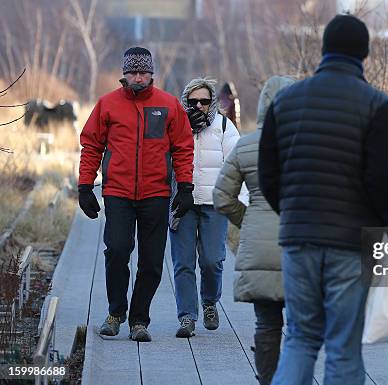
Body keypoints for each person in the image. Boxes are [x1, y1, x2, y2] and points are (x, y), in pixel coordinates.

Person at [258, 14, 388, 385]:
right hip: (350, 243)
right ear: (365, 53)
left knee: (301, 339)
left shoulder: (285, 101)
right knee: (342, 345)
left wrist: (293, 212)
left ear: (324, 49)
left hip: (297, 236)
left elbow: (269, 176)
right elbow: (382, 179)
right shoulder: (377, 105)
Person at [78, 46, 194, 342]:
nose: (139, 77)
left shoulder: (168, 105)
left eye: (144, 72)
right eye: (133, 72)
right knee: (117, 250)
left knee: (152, 261)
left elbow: (182, 147)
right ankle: (116, 313)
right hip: (117, 192)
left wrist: (185, 187)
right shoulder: (107, 105)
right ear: (124, 74)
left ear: (151, 73)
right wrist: (84, 185)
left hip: (156, 193)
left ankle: (139, 320)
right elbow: (91, 145)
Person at [213, 75, 296, 385]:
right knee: (302, 327)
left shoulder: (246, 146)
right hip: (302, 245)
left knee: (267, 324)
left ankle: (267, 379)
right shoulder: (308, 147)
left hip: (258, 245)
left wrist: (247, 220)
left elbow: (222, 197)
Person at [169, 77, 241, 337]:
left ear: (212, 102)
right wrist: (181, 130)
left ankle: (209, 301)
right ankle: (187, 316)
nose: (198, 105)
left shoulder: (223, 126)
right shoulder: (174, 126)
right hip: (182, 203)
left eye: (204, 101)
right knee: (183, 263)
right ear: (185, 101)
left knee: (212, 260)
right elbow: (161, 158)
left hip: (214, 205)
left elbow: (237, 163)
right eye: (192, 101)